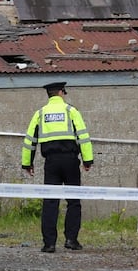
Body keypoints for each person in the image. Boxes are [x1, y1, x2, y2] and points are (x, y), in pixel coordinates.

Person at [21, 82, 94, 253]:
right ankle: (71, 239)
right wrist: (87, 160)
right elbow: (83, 137)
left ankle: (49, 244)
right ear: (61, 92)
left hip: (51, 163)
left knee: (50, 202)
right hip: (70, 161)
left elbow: (29, 140)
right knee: (74, 201)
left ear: (49, 94)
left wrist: (27, 163)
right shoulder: (71, 111)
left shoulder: (40, 113)